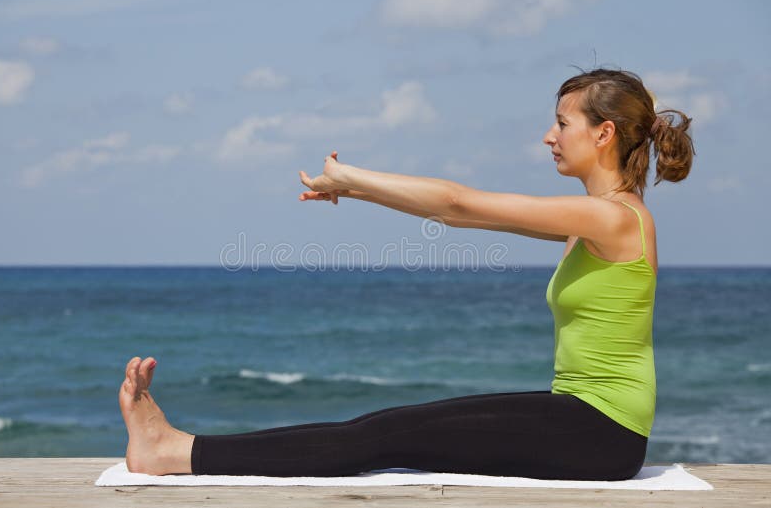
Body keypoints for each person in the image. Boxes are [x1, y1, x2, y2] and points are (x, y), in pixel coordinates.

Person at [118, 68, 694, 480]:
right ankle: (175, 449)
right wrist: (359, 196)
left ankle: (173, 451)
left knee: (377, 438)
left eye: (562, 122)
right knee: (384, 431)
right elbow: (461, 218)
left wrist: (352, 179)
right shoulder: (595, 221)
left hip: (599, 430)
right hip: (589, 424)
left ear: (603, 133)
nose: (549, 136)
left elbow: (459, 204)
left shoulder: (609, 217)